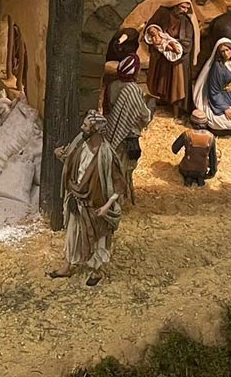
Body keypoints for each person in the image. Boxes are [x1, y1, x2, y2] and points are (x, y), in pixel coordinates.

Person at [49, 110, 122, 287]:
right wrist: (60, 154)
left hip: (96, 205)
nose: (82, 128)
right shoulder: (80, 145)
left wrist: (107, 206)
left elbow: (119, 184)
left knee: (98, 239)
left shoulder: (106, 155)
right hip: (77, 200)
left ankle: (97, 271)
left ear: (95, 130)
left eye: (86, 126)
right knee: (72, 234)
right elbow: (70, 161)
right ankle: (67, 266)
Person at [102, 52, 153, 205]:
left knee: (111, 167)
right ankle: (119, 201)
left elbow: (107, 110)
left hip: (110, 132)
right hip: (126, 136)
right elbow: (143, 114)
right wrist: (149, 114)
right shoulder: (133, 90)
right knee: (123, 168)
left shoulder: (111, 86)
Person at [143, 0, 198, 118]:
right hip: (163, 57)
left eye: (187, 8)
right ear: (175, 5)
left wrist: (172, 44)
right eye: (182, 7)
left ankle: (176, 111)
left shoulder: (186, 22)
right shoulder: (163, 13)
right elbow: (150, 28)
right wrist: (158, 40)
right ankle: (163, 101)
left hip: (177, 59)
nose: (184, 11)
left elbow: (187, 42)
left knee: (177, 87)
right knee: (162, 82)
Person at [172, 112, 218, 187]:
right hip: (202, 170)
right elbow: (213, 159)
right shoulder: (211, 137)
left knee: (187, 172)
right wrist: (212, 172)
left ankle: (188, 179)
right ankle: (200, 179)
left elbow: (174, 149)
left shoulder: (187, 134)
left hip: (186, 169)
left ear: (191, 122)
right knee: (200, 174)